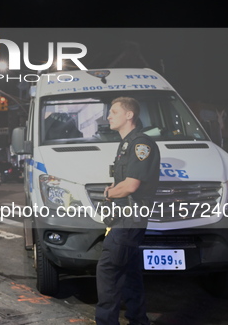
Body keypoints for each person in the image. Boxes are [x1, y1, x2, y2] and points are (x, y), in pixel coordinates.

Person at [95, 97, 160, 325]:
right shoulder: (126, 144)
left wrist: (108, 194)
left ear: (129, 115)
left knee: (108, 272)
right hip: (124, 218)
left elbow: (131, 186)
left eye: (113, 112)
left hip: (129, 220)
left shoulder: (141, 144)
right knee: (130, 273)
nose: (108, 116)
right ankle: (138, 320)